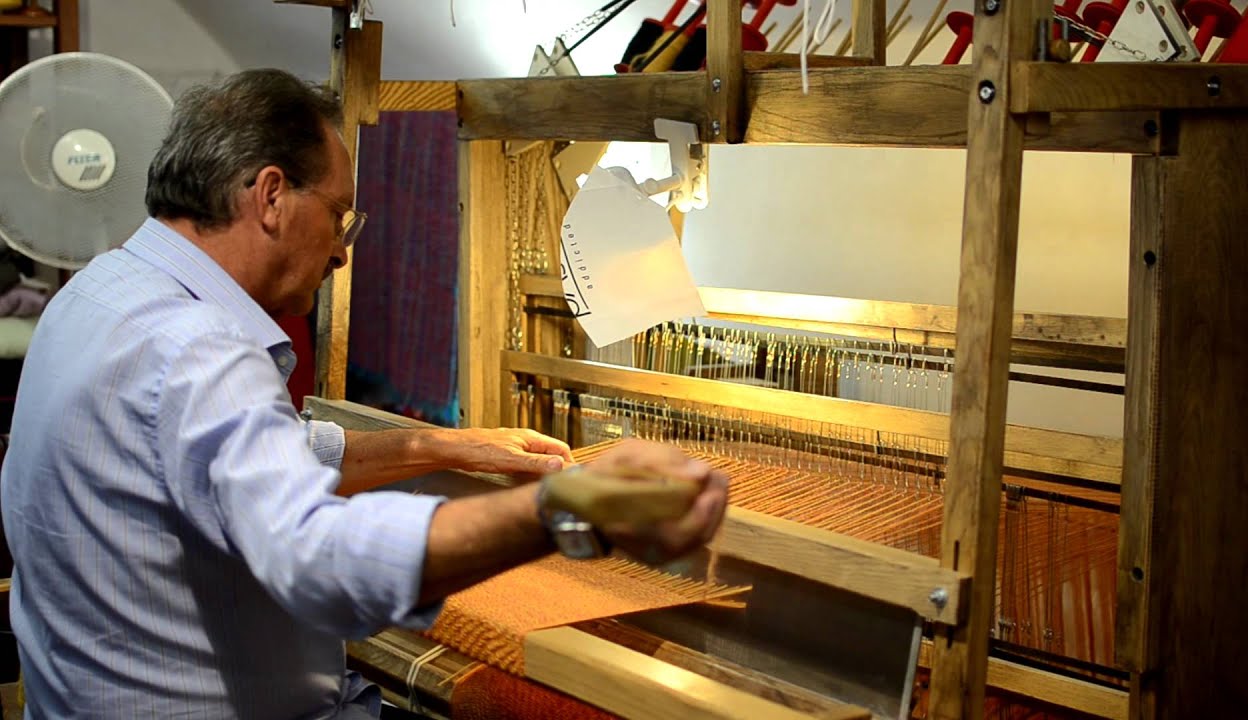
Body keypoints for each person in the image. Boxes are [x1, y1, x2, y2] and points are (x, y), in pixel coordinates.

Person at [0, 69, 729, 719]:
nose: (343, 249)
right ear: (272, 195)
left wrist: (439, 444)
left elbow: (232, 458)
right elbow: (314, 560)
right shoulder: (200, 347)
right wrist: (562, 511)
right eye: (338, 214)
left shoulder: (97, 293)